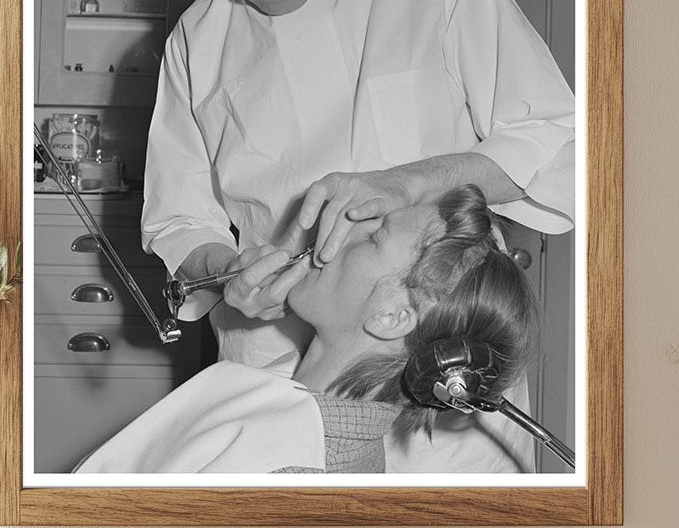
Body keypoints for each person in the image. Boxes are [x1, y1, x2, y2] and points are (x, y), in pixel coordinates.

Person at [141, 0, 573, 469]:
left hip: (438, 366)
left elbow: (558, 137)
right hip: (273, 366)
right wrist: (228, 272)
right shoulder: (198, 38)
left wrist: (414, 183)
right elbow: (178, 223)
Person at [77, 186, 541, 474]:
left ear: (391, 317)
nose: (336, 231)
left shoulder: (294, 473)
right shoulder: (289, 402)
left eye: (373, 236)